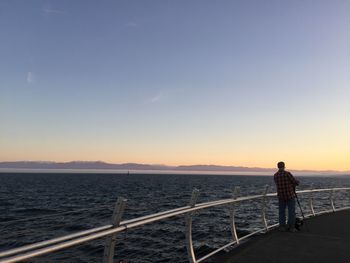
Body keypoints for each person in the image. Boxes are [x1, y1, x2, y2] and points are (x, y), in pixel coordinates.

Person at [274, 161, 299, 232]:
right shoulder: (287, 174)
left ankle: (282, 227)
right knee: (291, 212)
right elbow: (295, 182)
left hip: (281, 196)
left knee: (281, 212)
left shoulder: (275, 175)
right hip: (290, 195)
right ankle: (291, 227)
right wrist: (297, 182)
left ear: (278, 167)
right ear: (284, 166)